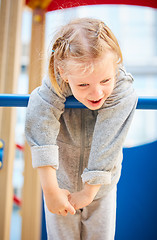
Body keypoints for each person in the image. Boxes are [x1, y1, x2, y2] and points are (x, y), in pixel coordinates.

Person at [25, 18, 138, 240]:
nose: (96, 93)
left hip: (102, 189)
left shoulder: (122, 89)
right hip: (60, 184)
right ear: (63, 72)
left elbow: (108, 140)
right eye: (83, 85)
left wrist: (89, 191)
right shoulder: (53, 85)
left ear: (115, 65)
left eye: (105, 80)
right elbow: (41, 127)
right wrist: (50, 191)